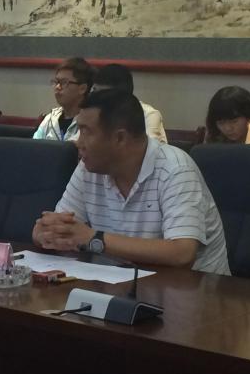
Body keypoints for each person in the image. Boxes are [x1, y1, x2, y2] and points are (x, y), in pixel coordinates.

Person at [33, 89, 230, 275]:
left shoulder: (175, 169)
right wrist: (45, 233)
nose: (78, 142)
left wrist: (94, 239)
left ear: (120, 138)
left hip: (198, 291)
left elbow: (182, 253)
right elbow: (55, 228)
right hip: (120, 282)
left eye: (86, 132)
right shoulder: (89, 167)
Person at [91, 63, 168, 143]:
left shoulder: (149, 115)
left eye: (103, 95)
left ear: (122, 96)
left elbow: (143, 148)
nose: (96, 98)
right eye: (94, 91)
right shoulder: (93, 113)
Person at [33, 57, 93, 141]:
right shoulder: (50, 119)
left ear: (82, 88)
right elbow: (34, 146)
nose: (57, 87)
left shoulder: (91, 121)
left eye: (64, 82)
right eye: (56, 82)